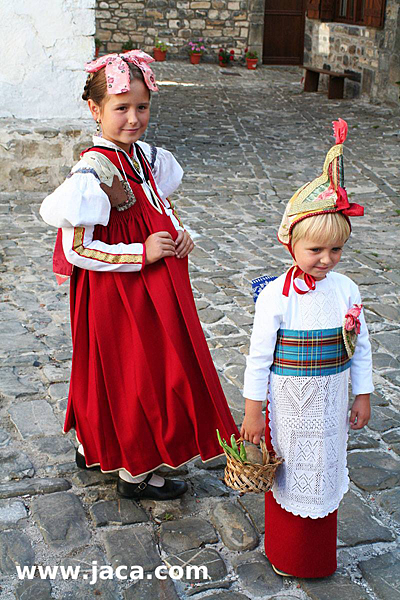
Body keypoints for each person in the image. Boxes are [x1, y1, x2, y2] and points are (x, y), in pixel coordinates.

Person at [40, 50, 238, 501]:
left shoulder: (146, 157)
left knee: (139, 369)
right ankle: (136, 470)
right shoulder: (93, 172)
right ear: (95, 110)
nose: (133, 118)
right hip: (118, 294)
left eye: (142, 107)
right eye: (121, 108)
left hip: (153, 290)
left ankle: (96, 447)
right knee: (133, 373)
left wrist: (180, 233)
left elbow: (159, 208)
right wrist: (139, 252)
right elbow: (76, 248)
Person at [241, 119, 373, 578]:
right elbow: (259, 356)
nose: (326, 259)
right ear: (290, 242)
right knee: (290, 473)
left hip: (332, 402)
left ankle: (318, 559)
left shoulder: (346, 290)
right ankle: (287, 554)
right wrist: (254, 410)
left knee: (324, 474)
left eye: (336, 250)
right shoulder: (276, 295)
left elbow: (360, 345)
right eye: (316, 249)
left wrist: (363, 393)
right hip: (289, 405)